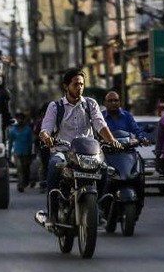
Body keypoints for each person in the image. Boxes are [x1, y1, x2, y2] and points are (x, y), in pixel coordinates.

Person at [35, 68, 122, 224]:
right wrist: (47, 138)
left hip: (87, 153)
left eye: (81, 84)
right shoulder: (55, 106)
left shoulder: (90, 104)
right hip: (64, 152)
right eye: (75, 84)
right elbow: (45, 130)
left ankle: (98, 208)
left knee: (105, 170)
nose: (79, 88)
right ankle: (52, 212)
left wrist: (112, 140)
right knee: (54, 166)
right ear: (66, 86)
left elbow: (100, 124)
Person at [9, 113, 35, 192]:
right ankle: (20, 185)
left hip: (27, 153)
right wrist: (8, 153)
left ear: (24, 120)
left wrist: (32, 152)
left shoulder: (28, 129)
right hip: (17, 152)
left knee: (25, 169)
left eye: (21, 119)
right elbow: (10, 142)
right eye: (18, 119)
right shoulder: (13, 130)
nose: (20, 120)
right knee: (20, 169)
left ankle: (25, 182)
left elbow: (32, 141)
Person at [32, 102, 51, 194]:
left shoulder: (58, 119)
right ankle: (43, 184)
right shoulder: (40, 122)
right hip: (44, 147)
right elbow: (36, 135)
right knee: (44, 165)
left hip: (56, 146)